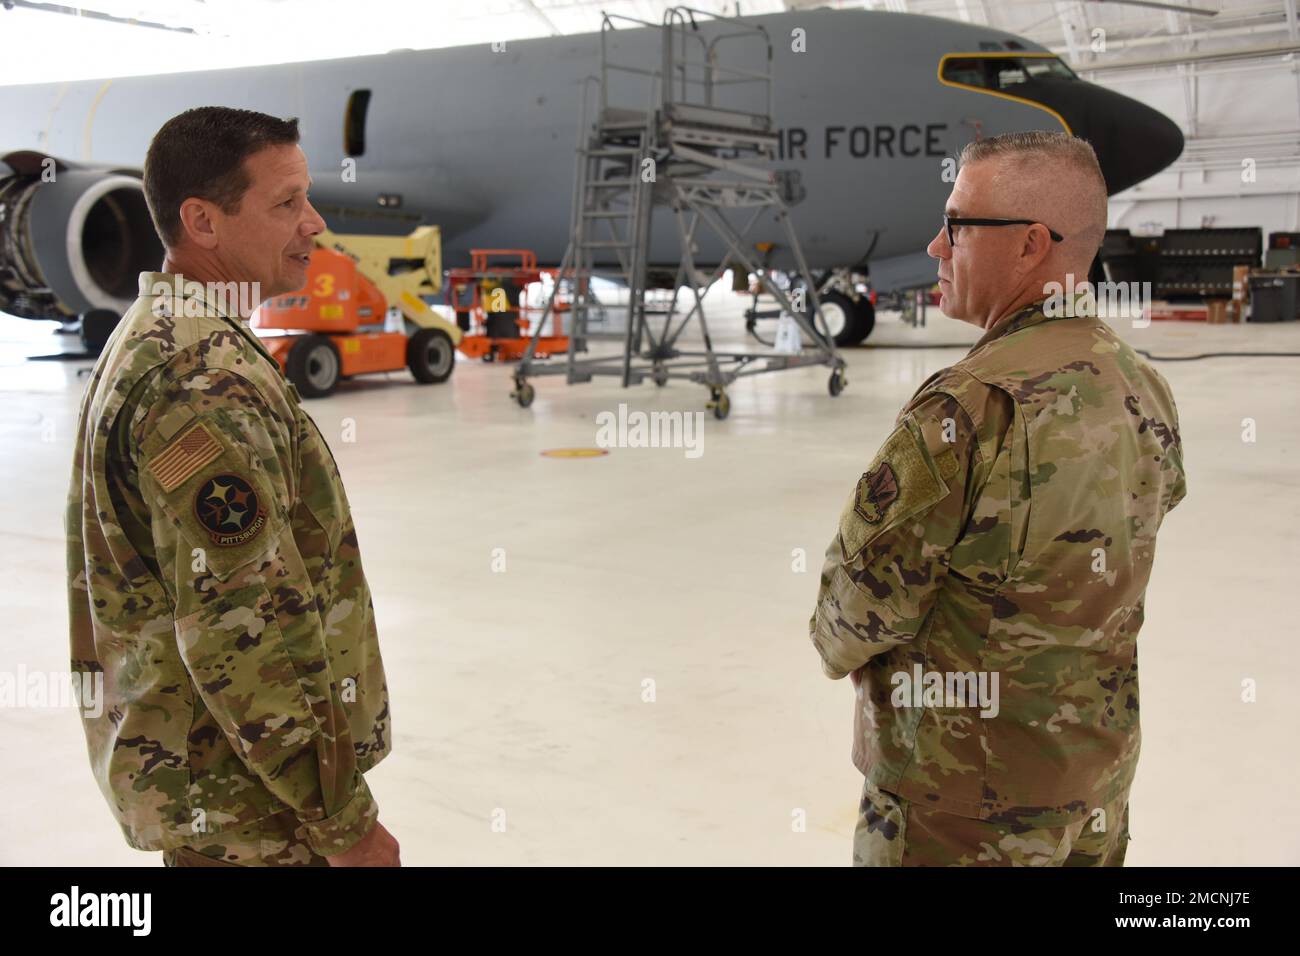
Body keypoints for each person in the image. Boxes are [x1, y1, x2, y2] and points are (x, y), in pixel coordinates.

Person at [809, 131, 1186, 866]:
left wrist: (842, 650)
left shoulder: (967, 408)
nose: (933, 247)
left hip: (961, 808)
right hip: (1094, 782)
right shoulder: (1141, 384)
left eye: (957, 225)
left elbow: (860, 604)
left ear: (1029, 245)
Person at [66, 106, 398, 867]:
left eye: (307, 197)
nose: (313, 223)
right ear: (203, 222)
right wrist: (344, 823)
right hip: (253, 811)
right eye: (285, 203)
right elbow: (246, 628)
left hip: (224, 790)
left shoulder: (164, 335)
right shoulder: (199, 380)